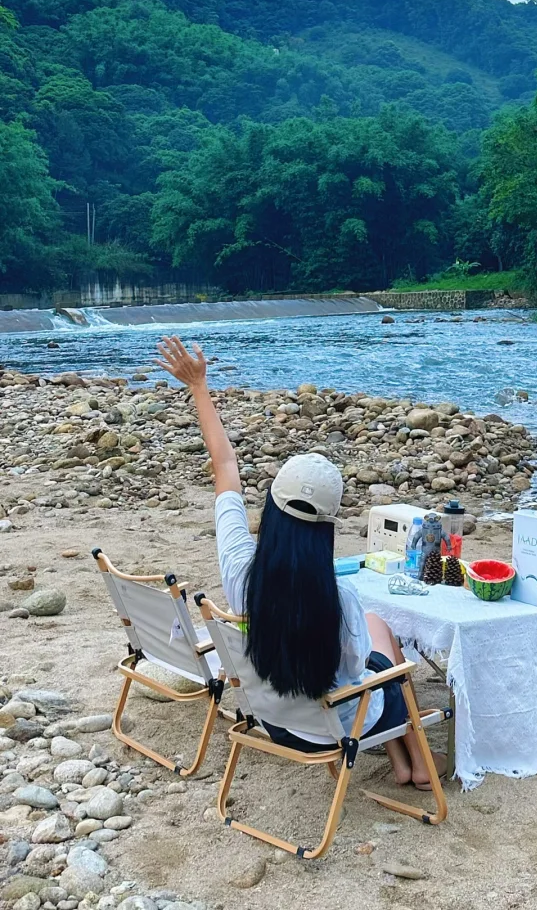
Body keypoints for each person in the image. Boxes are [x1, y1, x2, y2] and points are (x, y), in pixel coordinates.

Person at [155, 336, 442, 790]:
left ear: (269, 508)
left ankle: (405, 761)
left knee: (374, 637)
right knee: (384, 651)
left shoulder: (239, 571)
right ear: (327, 528)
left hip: (278, 724)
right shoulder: (337, 600)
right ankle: (419, 762)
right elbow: (356, 678)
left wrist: (198, 386)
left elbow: (224, 466)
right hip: (339, 732)